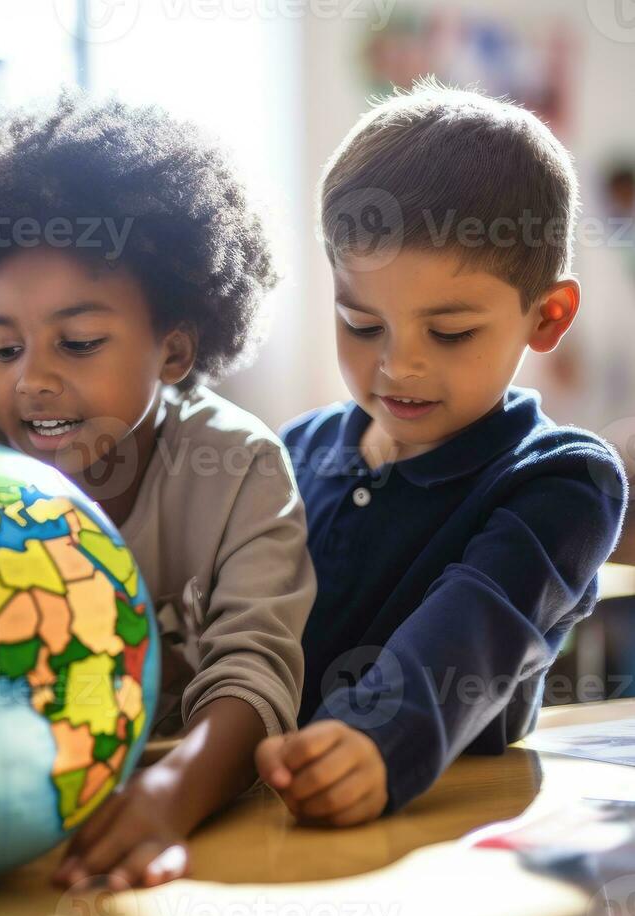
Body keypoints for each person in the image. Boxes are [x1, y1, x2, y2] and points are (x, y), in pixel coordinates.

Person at [0, 90, 314, 889]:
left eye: (80, 342)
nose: (33, 381)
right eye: (3, 347)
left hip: (199, 827)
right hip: (5, 825)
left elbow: (255, 674)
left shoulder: (239, 471)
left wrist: (169, 795)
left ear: (175, 349)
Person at [262, 82, 628, 825]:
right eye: (361, 325)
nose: (399, 367)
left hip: (445, 824)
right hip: (263, 808)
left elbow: (476, 627)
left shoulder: (564, 481)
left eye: (450, 333)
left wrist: (373, 740)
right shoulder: (291, 451)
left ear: (547, 317)